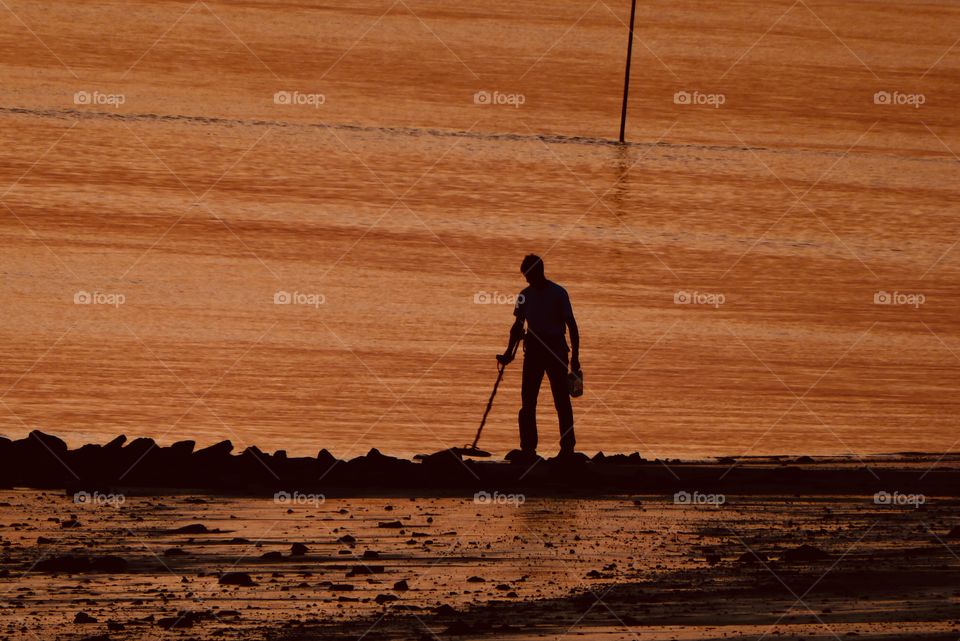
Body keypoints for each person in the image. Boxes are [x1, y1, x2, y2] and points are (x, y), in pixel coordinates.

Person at [498, 254, 580, 463]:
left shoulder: (559, 294)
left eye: (528, 274)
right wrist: (508, 353)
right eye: (525, 275)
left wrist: (575, 358)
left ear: (538, 272)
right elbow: (518, 326)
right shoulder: (524, 295)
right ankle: (528, 449)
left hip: (556, 349)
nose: (526, 279)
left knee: (561, 400)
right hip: (533, 349)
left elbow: (571, 325)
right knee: (528, 400)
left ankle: (567, 449)